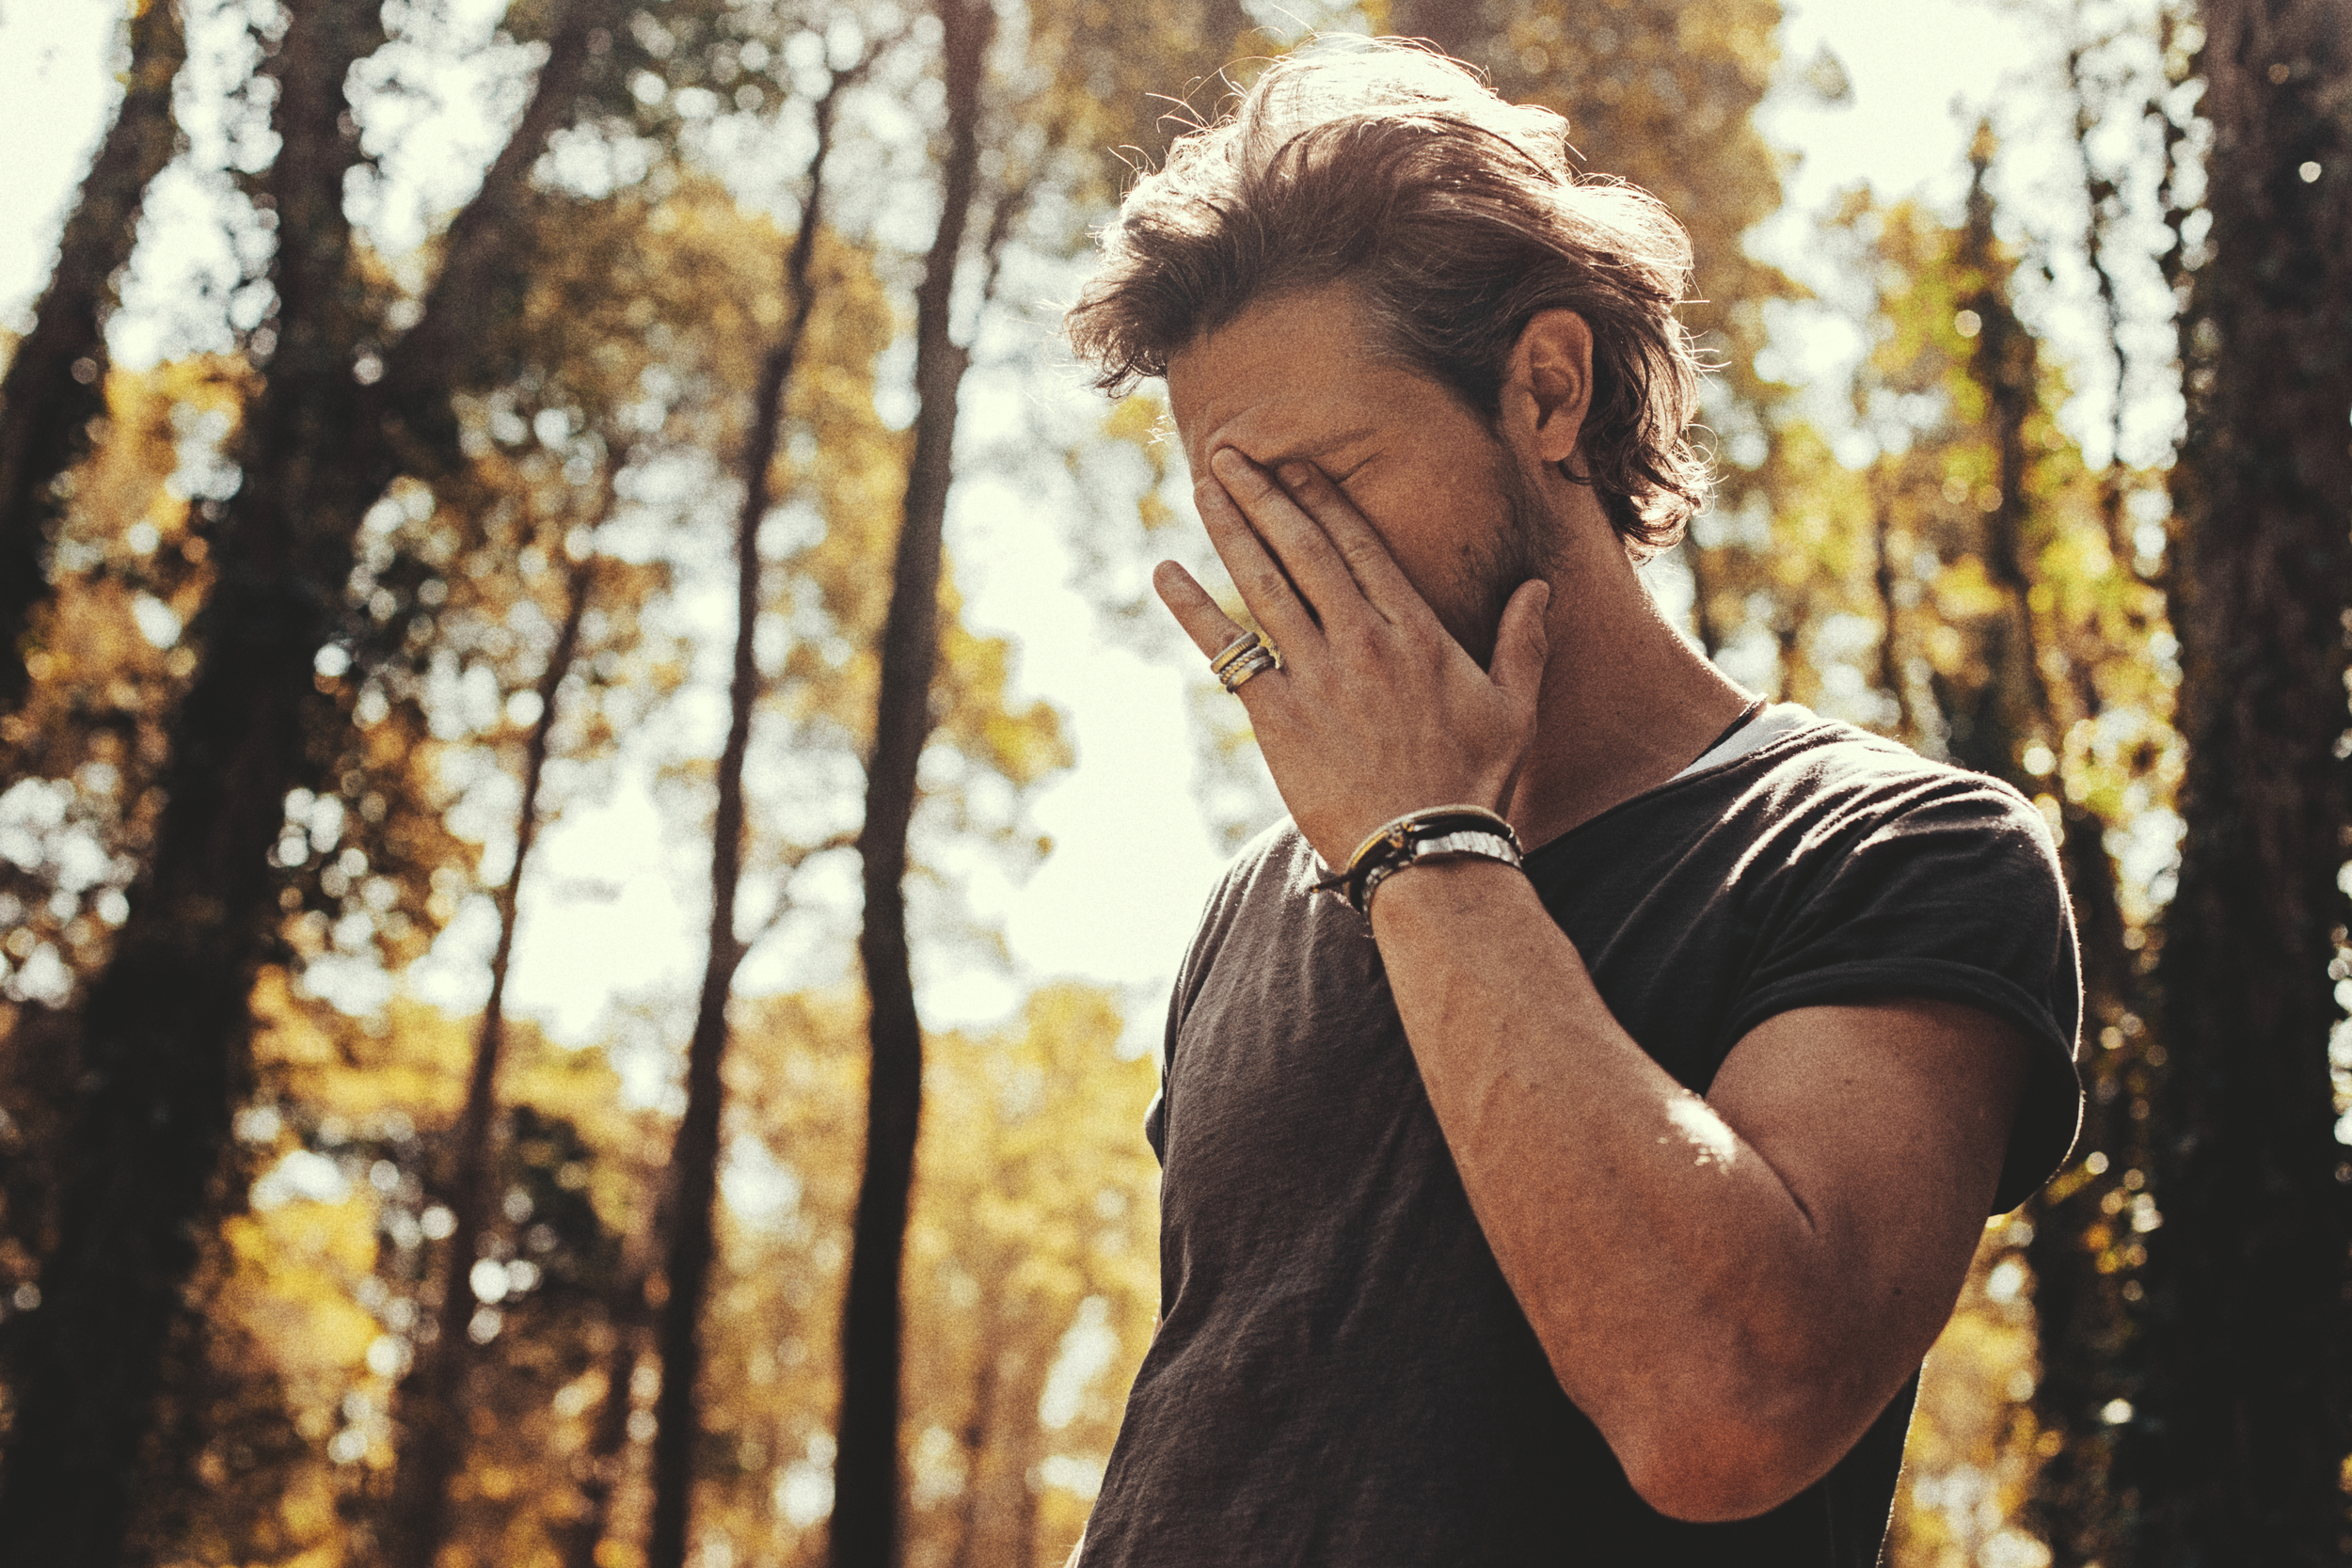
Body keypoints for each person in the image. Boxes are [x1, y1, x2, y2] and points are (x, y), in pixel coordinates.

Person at [1058, 38, 2083, 1567]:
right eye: (1241, 511)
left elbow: (1729, 1409)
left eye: (1326, 481)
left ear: (1548, 389)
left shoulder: (1890, 850)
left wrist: (1427, 846)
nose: (1284, 569)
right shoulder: (1253, 907)